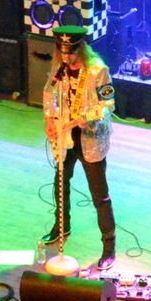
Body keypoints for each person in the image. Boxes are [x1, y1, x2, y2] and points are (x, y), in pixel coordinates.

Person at [41, 25, 118, 269]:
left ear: (81, 48)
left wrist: (90, 117)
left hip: (90, 138)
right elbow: (48, 93)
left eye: (71, 52)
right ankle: (61, 227)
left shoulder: (98, 70)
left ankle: (109, 246)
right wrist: (49, 119)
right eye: (63, 52)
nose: (67, 57)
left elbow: (108, 103)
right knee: (60, 183)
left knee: (99, 195)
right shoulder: (59, 67)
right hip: (66, 136)